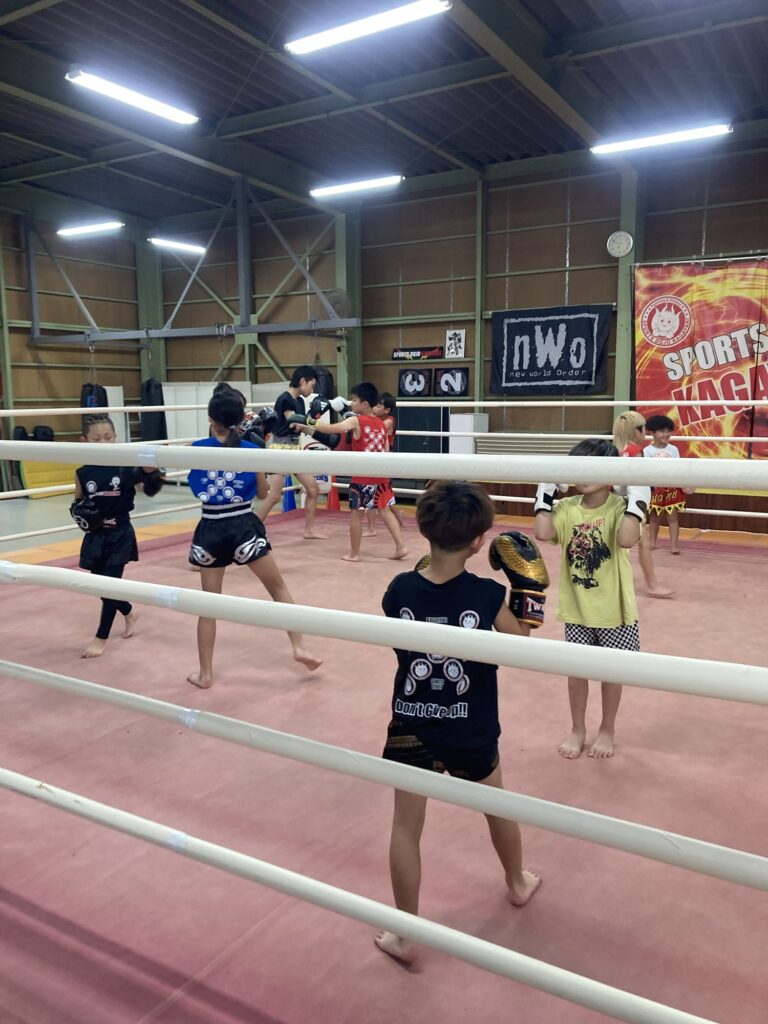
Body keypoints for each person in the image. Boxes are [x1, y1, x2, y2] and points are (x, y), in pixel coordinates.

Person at [374, 481, 541, 965]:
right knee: (496, 806)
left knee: (405, 825)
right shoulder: (487, 594)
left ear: (423, 530)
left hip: (411, 722)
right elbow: (522, 642)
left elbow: (400, 624)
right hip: (471, 725)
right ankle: (517, 882)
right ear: (478, 541)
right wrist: (528, 591)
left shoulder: (399, 588)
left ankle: (405, 933)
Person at [186, 390, 322, 688]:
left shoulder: (196, 449)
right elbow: (262, 494)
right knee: (278, 588)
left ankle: (205, 674)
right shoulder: (250, 449)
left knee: (208, 606)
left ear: (210, 419)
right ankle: (299, 647)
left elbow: (190, 484)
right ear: (239, 419)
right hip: (243, 527)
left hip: (211, 527)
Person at [534, 439, 648, 760]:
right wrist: (545, 493)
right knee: (577, 673)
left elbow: (626, 539)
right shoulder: (567, 507)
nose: (583, 475)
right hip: (577, 609)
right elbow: (542, 532)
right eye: (578, 467)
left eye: (592, 467)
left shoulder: (618, 507)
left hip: (615, 610)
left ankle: (607, 728)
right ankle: (577, 728)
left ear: (610, 473)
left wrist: (638, 499)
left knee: (612, 675)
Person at [71, 414, 164, 659]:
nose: (103, 442)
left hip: (120, 533)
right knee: (98, 583)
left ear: (115, 438)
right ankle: (129, 612)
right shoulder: (83, 472)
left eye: (108, 437)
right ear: (84, 441)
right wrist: (79, 511)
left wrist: (152, 472)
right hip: (96, 534)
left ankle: (100, 637)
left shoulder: (124, 466)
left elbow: (149, 486)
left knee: (110, 585)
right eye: (97, 439)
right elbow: (78, 500)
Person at [290, 382, 408, 563]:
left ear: (364, 403)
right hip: (381, 474)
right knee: (385, 511)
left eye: (354, 400)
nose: (351, 403)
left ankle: (355, 553)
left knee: (356, 514)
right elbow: (385, 448)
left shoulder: (356, 421)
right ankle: (401, 546)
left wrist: (308, 421)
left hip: (362, 476)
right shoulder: (381, 423)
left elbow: (332, 429)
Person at [255, 366, 326, 539]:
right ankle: (251, 529)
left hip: (294, 449)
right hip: (281, 449)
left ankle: (309, 530)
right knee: (274, 496)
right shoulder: (285, 399)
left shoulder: (300, 401)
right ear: (303, 381)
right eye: (312, 385)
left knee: (313, 488)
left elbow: (303, 427)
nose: (312, 390)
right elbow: (294, 423)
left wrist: (325, 434)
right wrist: (314, 418)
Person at [612, 411, 672, 598]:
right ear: (636, 431)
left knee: (618, 544)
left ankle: (616, 579)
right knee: (642, 543)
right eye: (644, 429)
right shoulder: (634, 451)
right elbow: (639, 481)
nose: (646, 433)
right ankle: (651, 584)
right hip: (630, 504)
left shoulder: (615, 450)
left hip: (613, 502)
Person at [642, 414, 693, 554]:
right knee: (654, 518)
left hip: (672, 488)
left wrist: (684, 484)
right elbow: (647, 471)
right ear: (652, 432)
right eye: (662, 431)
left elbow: (678, 469)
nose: (666, 434)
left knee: (673, 518)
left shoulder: (673, 449)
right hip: (655, 489)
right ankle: (652, 542)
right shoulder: (647, 451)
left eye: (668, 431)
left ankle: (674, 545)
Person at [365, 392, 397, 538]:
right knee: (384, 493)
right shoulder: (376, 419)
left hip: (383, 459)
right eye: (375, 405)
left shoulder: (389, 420)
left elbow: (377, 429)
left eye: (378, 406)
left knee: (377, 493)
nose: (375, 408)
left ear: (387, 410)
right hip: (376, 458)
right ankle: (399, 519)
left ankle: (372, 528)